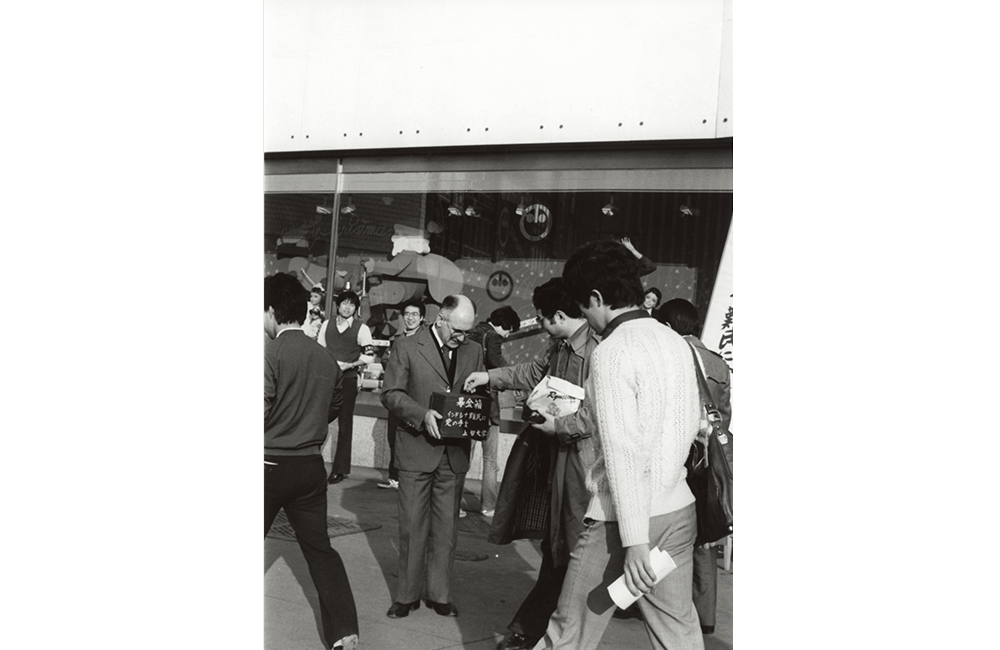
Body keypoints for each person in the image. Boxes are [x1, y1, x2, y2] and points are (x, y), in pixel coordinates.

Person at [532, 240, 704, 650]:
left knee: (568, 632)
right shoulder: (675, 341)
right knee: (678, 633)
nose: (584, 317)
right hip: (679, 508)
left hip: (622, 520)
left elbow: (624, 454)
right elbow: (691, 424)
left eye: (582, 305)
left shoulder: (611, 352)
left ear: (596, 298)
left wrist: (634, 541)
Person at [463, 278, 598, 650]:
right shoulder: (562, 345)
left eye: (541, 318)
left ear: (557, 315)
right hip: (557, 456)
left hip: (582, 465)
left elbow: (597, 414)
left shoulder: (598, 349)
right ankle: (533, 629)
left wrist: (561, 425)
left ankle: (541, 631)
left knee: (571, 552)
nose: (539, 324)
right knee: (558, 551)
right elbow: (532, 373)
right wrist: (490, 376)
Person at [264, 272, 359, 650]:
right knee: (320, 550)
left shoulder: (270, 354)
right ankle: (345, 633)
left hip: (267, 465)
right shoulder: (325, 357)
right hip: (309, 467)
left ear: (271, 311)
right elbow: (333, 407)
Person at [379, 295, 486, 619]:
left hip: (453, 455)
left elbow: (482, 394)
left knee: (446, 529)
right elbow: (390, 394)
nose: (462, 337)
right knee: (412, 527)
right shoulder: (407, 346)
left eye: (467, 331)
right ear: (440, 318)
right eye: (457, 330)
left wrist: (478, 402)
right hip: (416, 448)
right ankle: (407, 595)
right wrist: (421, 414)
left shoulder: (474, 351)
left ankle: (439, 594)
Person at [657, 298, 732, 636]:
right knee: (704, 536)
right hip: (708, 460)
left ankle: (653, 603)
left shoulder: (670, 357)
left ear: (670, 327)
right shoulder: (719, 364)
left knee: (663, 528)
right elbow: (725, 417)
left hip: (676, 456)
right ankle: (705, 616)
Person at [465, 305, 521, 517]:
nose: (507, 335)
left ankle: (453, 503)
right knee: (490, 460)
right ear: (504, 325)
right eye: (509, 330)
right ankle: (488, 505)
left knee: (463, 457)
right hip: (487, 406)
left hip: (468, 404)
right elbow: (499, 366)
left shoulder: (472, 332)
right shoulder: (493, 337)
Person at [318, 290, 374, 484]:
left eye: (351, 304)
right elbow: (320, 349)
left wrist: (350, 365)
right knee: (318, 420)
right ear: (338, 305)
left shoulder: (361, 329)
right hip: (327, 379)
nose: (347, 307)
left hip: (348, 379)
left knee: (345, 424)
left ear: (356, 309)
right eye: (344, 303)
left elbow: (369, 355)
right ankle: (312, 462)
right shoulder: (327, 325)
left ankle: (339, 470)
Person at [377, 299, 427, 490]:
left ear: (422, 318)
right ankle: (394, 476)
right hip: (395, 396)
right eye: (407, 314)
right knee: (393, 437)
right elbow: (386, 361)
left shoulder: (425, 341)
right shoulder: (397, 339)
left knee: (411, 439)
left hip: (414, 399)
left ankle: (408, 478)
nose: (410, 318)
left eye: (415, 314)